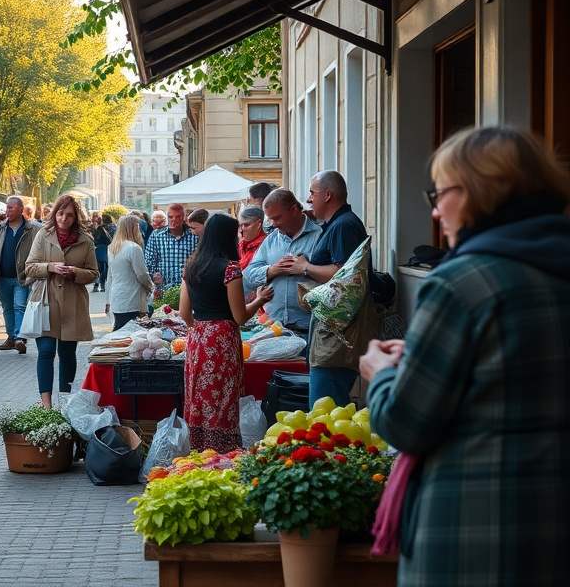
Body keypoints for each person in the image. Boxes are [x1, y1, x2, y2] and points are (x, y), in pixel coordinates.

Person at [359, 126, 570, 586]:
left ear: (481, 191)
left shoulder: (462, 282)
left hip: (472, 532)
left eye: (440, 192)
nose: (435, 210)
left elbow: (405, 422)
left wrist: (381, 373)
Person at [178, 213, 273, 451]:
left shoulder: (191, 266)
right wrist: (259, 299)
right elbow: (240, 316)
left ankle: (199, 450)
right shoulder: (230, 269)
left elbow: (184, 313)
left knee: (199, 397)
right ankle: (222, 453)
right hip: (221, 338)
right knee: (221, 399)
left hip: (198, 337)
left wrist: (200, 328)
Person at [293, 170, 372, 406]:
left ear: (327, 195)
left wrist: (305, 267)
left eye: (312, 193)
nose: (308, 199)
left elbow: (344, 276)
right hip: (334, 335)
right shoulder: (338, 224)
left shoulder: (343, 226)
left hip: (337, 341)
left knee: (324, 415)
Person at [25, 194, 99, 409]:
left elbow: (94, 273)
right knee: (46, 352)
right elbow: (29, 267)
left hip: (72, 303)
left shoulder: (86, 240)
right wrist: (50, 267)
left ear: (76, 217)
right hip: (45, 301)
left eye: (69, 215)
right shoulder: (43, 234)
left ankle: (65, 400)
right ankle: (46, 403)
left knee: (67, 354)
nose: (64, 218)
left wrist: (75, 272)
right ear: (54, 213)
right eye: (60, 213)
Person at [242, 189, 321, 338]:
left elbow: (334, 276)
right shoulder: (271, 240)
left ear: (293, 210)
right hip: (274, 328)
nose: (274, 224)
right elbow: (248, 276)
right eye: (270, 219)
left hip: (310, 329)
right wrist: (273, 270)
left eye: (277, 218)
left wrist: (305, 269)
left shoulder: (319, 235)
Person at [0, 196, 42, 354]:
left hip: (21, 276)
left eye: (11, 208)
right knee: (7, 308)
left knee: (19, 306)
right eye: (7, 208)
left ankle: (20, 338)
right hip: (2, 277)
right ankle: (11, 337)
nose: (8, 211)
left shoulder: (31, 229)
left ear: (20, 209)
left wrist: (32, 274)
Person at [106, 215, 154, 330]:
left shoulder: (112, 248)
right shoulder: (134, 248)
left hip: (117, 297)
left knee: (119, 330)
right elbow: (141, 274)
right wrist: (150, 286)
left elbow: (110, 276)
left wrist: (108, 300)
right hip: (132, 298)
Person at [144, 202, 199, 295]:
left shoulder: (194, 236)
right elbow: (149, 261)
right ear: (167, 218)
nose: (174, 220)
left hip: (188, 288)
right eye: (171, 217)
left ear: (184, 218)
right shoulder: (157, 236)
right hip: (163, 289)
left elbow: (199, 261)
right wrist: (155, 275)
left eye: (178, 217)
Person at [237, 205, 267, 270]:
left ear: (258, 223)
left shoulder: (267, 245)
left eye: (246, 225)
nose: (242, 229)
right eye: (241, 225)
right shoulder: (241, 246)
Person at [92, 213, 114, 292]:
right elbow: (110, 240)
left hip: (98, 250)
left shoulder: (97, 230)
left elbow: (93, 240)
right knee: (106, 267)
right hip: (106, 250)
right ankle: (103, 284)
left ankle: (96, 284)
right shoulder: (112, 228)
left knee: (97, 268)